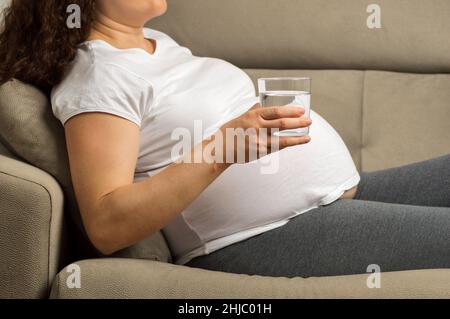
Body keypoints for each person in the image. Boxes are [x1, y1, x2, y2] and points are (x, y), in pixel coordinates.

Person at [0, 0, 448, 278]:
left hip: (335, 199)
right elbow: (107, 224)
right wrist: (222, 148)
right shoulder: (100, 77)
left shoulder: (153, 43)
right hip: (261, 237)